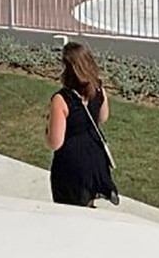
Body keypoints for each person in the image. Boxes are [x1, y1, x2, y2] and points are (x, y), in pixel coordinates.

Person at [46, 42, 118, 207]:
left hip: (72, 162)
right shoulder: (98, 88)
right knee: (88, 205)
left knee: (69, 209)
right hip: (94, 155)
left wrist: (47, 130)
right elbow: (103, 117)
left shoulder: (61, 100)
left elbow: (55, 142)